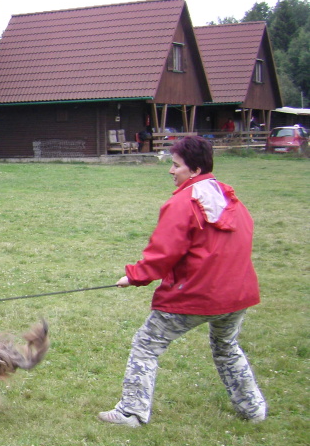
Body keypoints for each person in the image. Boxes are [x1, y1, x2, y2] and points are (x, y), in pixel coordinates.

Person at [99, 136, 266, 428]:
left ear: (196, 170)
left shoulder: (182, 204)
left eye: (176, 166)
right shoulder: (232, 199)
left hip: (196, 296)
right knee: (227, 347)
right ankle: (253, 409)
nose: (171, 171)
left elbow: (165, 251)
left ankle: (131, 412)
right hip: (237, 295)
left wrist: (135, 276)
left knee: (146, 344)